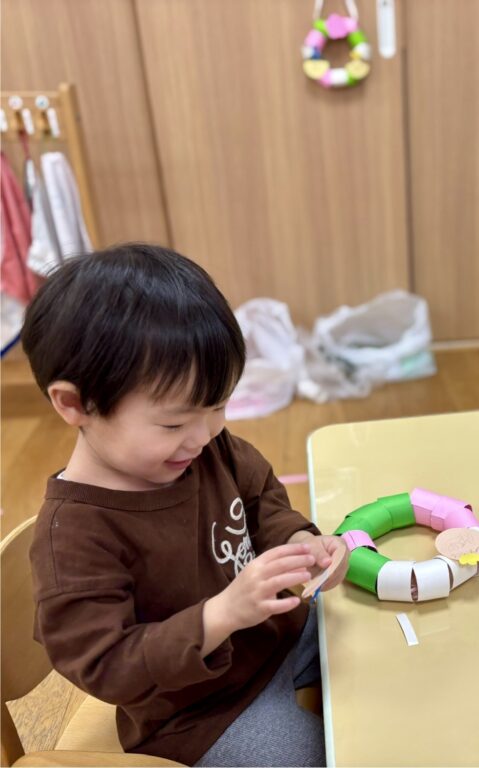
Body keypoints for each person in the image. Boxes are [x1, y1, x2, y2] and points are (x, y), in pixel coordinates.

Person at [22, 244, 346, 766]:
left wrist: (298, 542)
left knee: (384, 661)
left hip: (278, 638)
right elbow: (106, 665)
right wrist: (220, 615)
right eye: (174, 423)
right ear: (74, 404)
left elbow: (260, 496)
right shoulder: (74, 537)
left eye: (218, 406)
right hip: (197, 711)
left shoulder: (203, 448)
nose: (205, 434)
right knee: (317, 757)